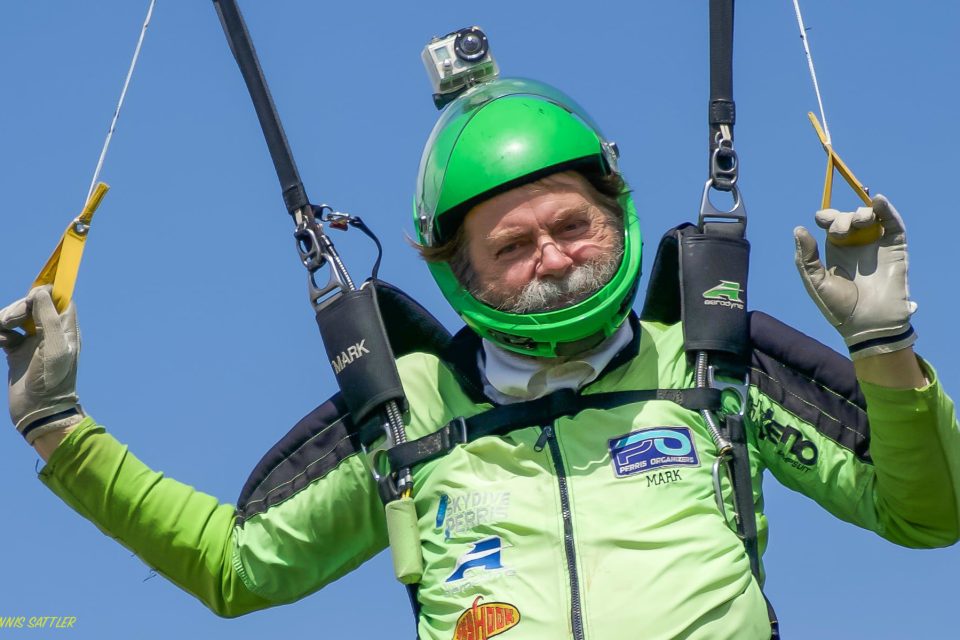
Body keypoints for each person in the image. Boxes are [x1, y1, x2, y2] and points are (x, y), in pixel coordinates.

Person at [2, 78, 957, 640]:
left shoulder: (711, 365)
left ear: (616, 218)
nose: (553, 257)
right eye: (512, 246)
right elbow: (238, 568)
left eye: (572, 226)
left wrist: (883, 348)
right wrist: (57, 427)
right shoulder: (408, 412)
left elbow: (928, 514)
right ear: (455, 270)